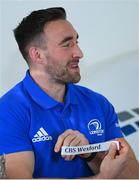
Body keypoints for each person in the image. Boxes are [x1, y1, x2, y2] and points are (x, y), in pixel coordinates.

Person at [0, 7, 138, 179]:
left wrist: (90, 153)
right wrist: (101, 178)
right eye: (67, 44)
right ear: (37, 55)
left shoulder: (97, 102)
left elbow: (132, 176)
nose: (79, 53)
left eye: (76, 42)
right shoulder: (7, 111)